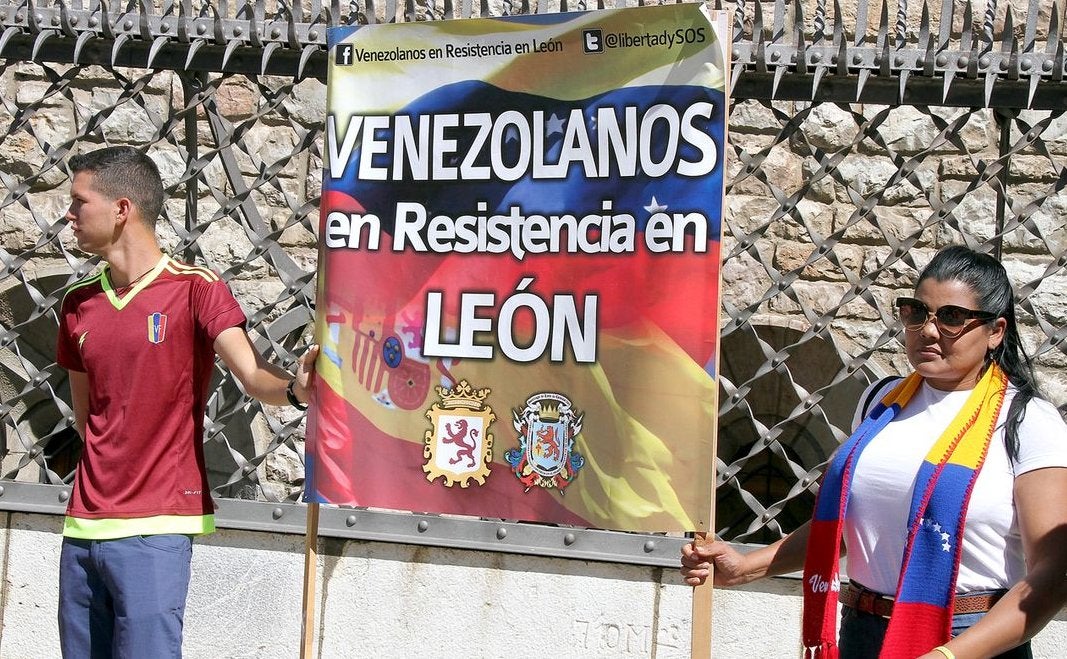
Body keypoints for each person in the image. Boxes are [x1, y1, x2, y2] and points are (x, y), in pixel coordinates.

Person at [681, 245, 1067, 658]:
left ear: (995, 331)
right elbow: (851, 528)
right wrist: (746, 567)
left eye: (952, 317)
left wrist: (948, 655)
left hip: (971, 640)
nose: (929, 330)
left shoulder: (1027, 421)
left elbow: (1054, 572)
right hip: (864, 632)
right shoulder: (880, 402)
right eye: (917, 312)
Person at [55, 145, 318, 658]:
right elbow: (89, 421)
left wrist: (297, 390)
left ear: (122, 209)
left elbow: (252, 375)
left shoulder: (196, 289)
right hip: (82, 527)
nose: (68, 214)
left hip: (156, 528)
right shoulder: (76, 304)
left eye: (79, 202)